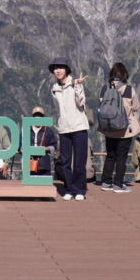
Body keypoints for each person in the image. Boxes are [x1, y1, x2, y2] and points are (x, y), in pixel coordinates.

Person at [96, 62, 140, 192]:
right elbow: (136, 106)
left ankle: (106, 182)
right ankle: (118, 184)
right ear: (124, 74)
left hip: (109, 128)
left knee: (110, 155)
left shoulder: (105, 89)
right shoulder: (128, 89)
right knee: (122, 156)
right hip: (124, 129)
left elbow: (101, 104)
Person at [48, 60, 88, 200]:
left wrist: (78, 87)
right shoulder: (54, 88)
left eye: (60, 68)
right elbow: (57, 108)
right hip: (64, 128)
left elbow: (81, 103)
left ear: (66, 70)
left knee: (79, 161)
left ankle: (79, 190)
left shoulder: (75, 83)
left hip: (79, 126)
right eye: (55, 69)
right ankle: (68, 188)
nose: (57, 71)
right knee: (64, 161)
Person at [27, 106, 56, 177]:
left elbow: (54, 146)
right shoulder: (26, 130)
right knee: (30, 186)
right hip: (30, 164)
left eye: (40, 115)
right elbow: (20, 146)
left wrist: (46, 149)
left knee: (44, 186)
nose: (38, 117)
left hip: (44, 165)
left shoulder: (48, 131)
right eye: (36, 115)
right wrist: (29, 149)